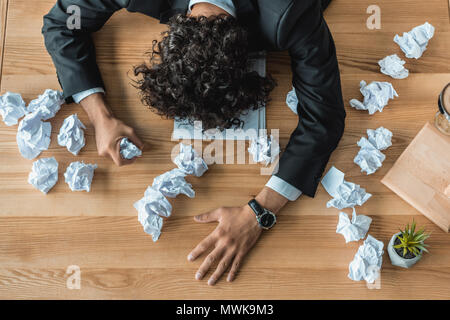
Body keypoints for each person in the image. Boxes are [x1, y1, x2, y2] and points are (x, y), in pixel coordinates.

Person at [42, 0, 345, 286]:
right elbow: (64, 20)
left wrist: (260, 212)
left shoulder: (290, 13)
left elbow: (324, 118)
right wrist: (99, 116)